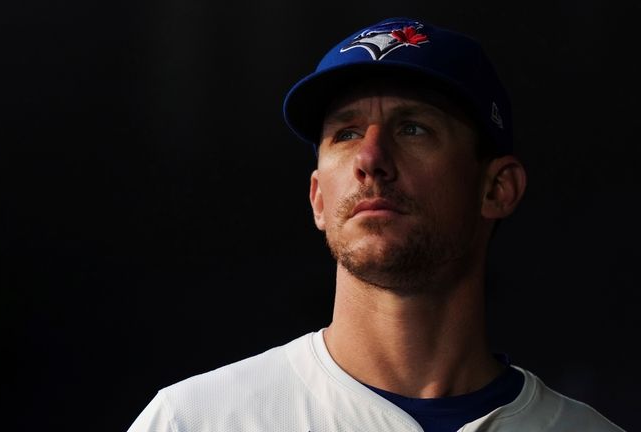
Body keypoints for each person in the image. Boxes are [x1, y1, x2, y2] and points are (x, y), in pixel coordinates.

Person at [127, 16, 626, 432]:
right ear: (319, 198)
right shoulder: (198, 420)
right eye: (345, 133)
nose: (370, 158)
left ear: (496, 189)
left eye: (413, 128)